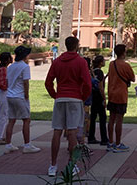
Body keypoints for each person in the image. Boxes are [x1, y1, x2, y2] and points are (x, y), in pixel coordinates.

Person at [45, 36, 92, 177]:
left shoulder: (57, 61)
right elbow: (87, 83)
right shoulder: (81, 62)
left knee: (57, 132)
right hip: (75, 98)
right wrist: (82, 97)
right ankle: (71, 166)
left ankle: (52, 165)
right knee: (72, 132)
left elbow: (48, 82)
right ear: (76, 45)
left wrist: (55, 95)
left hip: (60, 98)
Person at [4, 45, 41, 155]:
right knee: (26, 120)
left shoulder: (10, 67)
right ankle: (27, 145)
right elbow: (26, 82)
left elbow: (7, 81)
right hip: (20, 96)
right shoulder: (25, 67)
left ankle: (8, 144)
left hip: (10, 95)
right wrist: (26, 95)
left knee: (11, 120)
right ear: (25, 56)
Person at [106, 44, 135, 152]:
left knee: (111, 119)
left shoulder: (111, 64)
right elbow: (132, 78)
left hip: (112, 94)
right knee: (119, 120)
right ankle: (118, 143)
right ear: (123, 53)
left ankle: (110, 142)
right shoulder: (126, 65)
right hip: (121, 95)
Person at [88, 55, 108, 145]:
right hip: (99, 97)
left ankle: (91, 137)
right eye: (103, 61)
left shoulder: (93, 71)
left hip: (93, 97)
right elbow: (100, 86)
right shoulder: (99, 72)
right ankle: (104, 138)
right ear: (100, 63)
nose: (105, 62)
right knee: (102, 118)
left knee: (93, 117)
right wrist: (104, 98)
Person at [0, 52, 13, 145]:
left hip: (4, 93)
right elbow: (2, 84)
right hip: (3, 94)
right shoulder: (3, 70)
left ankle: (0, 135)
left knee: (4, 115)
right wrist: (10, 86)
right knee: (2, 116)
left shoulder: (4, 68)